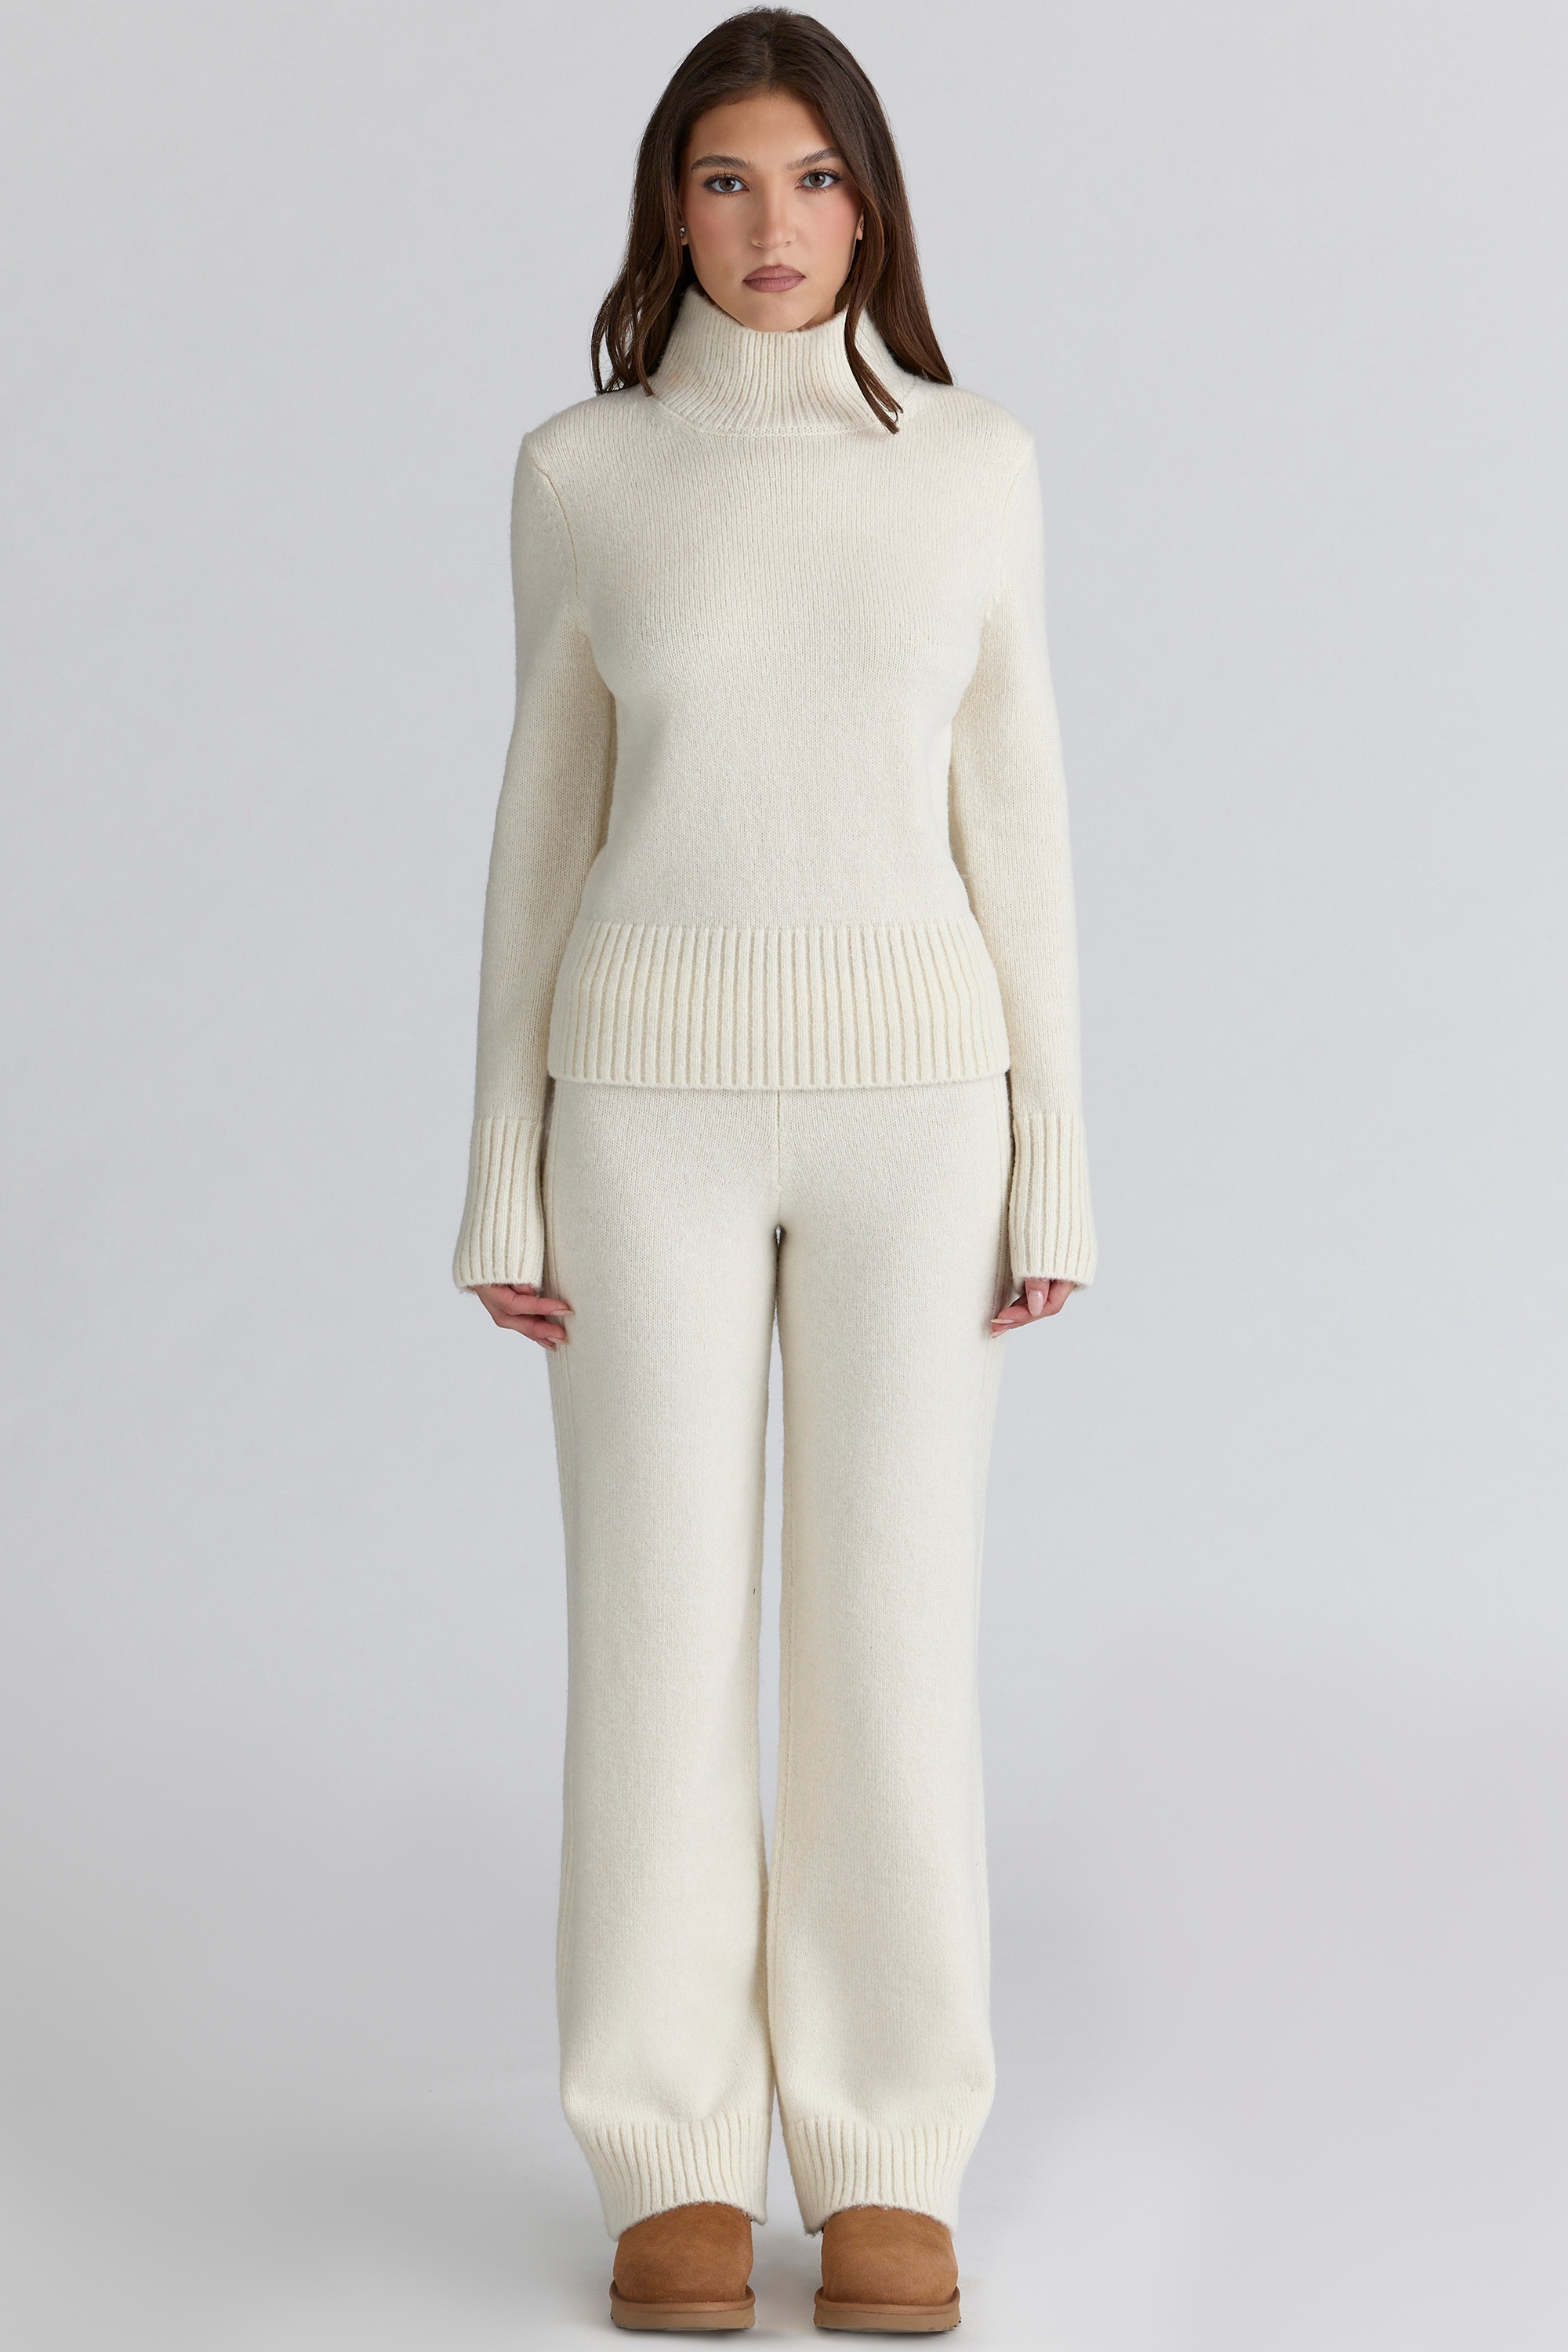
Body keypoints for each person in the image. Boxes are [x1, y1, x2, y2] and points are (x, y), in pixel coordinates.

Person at [452, 8, 1097, 2332]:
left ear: (874, 206)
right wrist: (501, 1164)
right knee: (653, 1640)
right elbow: (543, 826)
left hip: (921, 1116)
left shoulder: (978, 467)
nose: (772, 225)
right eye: (725, 180)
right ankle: (671, 2157)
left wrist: (1057, 1155)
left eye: (814, 180)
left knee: (891, 1642)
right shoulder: (582, 474)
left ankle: (891, 2151)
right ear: (669, 208)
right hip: (642, 1111)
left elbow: (1018, 815)